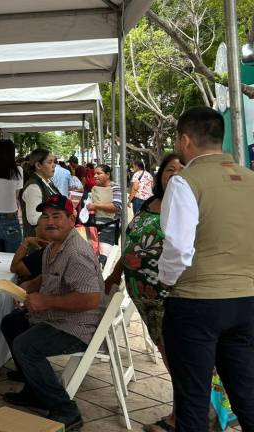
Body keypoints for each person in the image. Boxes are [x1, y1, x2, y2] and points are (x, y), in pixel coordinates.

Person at [158, 107, 254, 431]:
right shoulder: (251, 179)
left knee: (193, 401)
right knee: (246, 392)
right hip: (247, 301)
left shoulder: (185, 182)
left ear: (185, 141)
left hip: (197, 302)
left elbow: (178, 248)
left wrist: (167, 281)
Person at [0, 194, 104, 430]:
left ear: (71, 219)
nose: (50, 222)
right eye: (45, 217)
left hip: (78, 326)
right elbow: (48, 276)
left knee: (26, 346)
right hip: (58, 316)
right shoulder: (54, 247)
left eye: (57, 216)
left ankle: (66, 410)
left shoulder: (76, 253)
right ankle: (34, 389)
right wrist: (31, 286)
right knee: (11, 323)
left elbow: (91, 298)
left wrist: (46, 302)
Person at [104, 154, 183, 431]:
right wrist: (116, 273)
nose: (175, 174)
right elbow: (132, 242)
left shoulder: (188, 206)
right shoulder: (150, 203)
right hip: (142, 295)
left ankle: (181, 415)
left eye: (182, 169)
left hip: (169, 295)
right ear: (161, 175)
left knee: (176, 354)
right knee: (166, 351)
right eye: (170, 169)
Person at [20, 148, 60, 239]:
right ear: (38, 165)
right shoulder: (33, 187)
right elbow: (34, 219)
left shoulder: (48, 182)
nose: (54, 165)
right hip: (39, 241)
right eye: (49, 162)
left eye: (54, 162)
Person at [87, 164, 122, 266]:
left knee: (103, 258)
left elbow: (117, 207)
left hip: (109, 227)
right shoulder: (95, 188)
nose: (95, 176)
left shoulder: (115, 188)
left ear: (107, 175)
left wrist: (95, 206)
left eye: (99, 173)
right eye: (95, 174)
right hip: (94, 227)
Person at [9, 216, 50, 281]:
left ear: (46, 230)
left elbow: (14, 268)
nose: (35, 229)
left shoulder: (43, 254)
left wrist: (26, 242)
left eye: (37, 226)